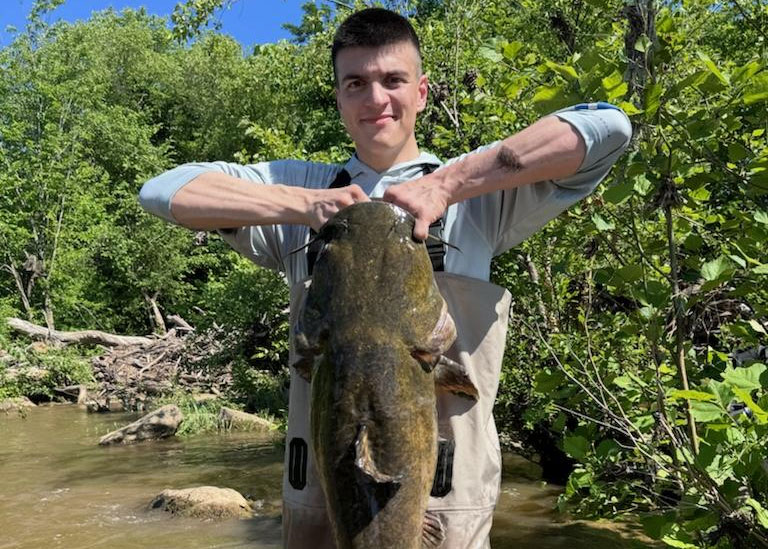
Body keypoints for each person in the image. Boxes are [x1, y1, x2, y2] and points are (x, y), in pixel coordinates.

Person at [139, 7, 632, 549]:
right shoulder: (297, 188)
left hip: (447, 499)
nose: (376, 99)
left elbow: (608, 129)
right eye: (356, 83)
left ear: (421, 92)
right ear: (338, 98)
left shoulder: (479, 197)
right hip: (321, 498)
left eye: (392, 80)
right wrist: (301, 204)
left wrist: (448, 185)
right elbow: (165, 190)